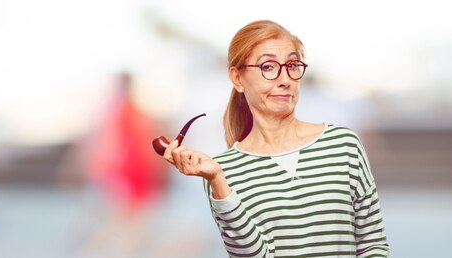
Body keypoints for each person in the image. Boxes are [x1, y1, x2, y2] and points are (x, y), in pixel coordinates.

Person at [162, 20, 390, 257]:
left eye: (292, 65)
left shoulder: (343, 144)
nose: (285, 79)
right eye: (268, 67)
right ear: (238, 79)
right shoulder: (224, 170)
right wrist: (218, 180)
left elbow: (373, 243)